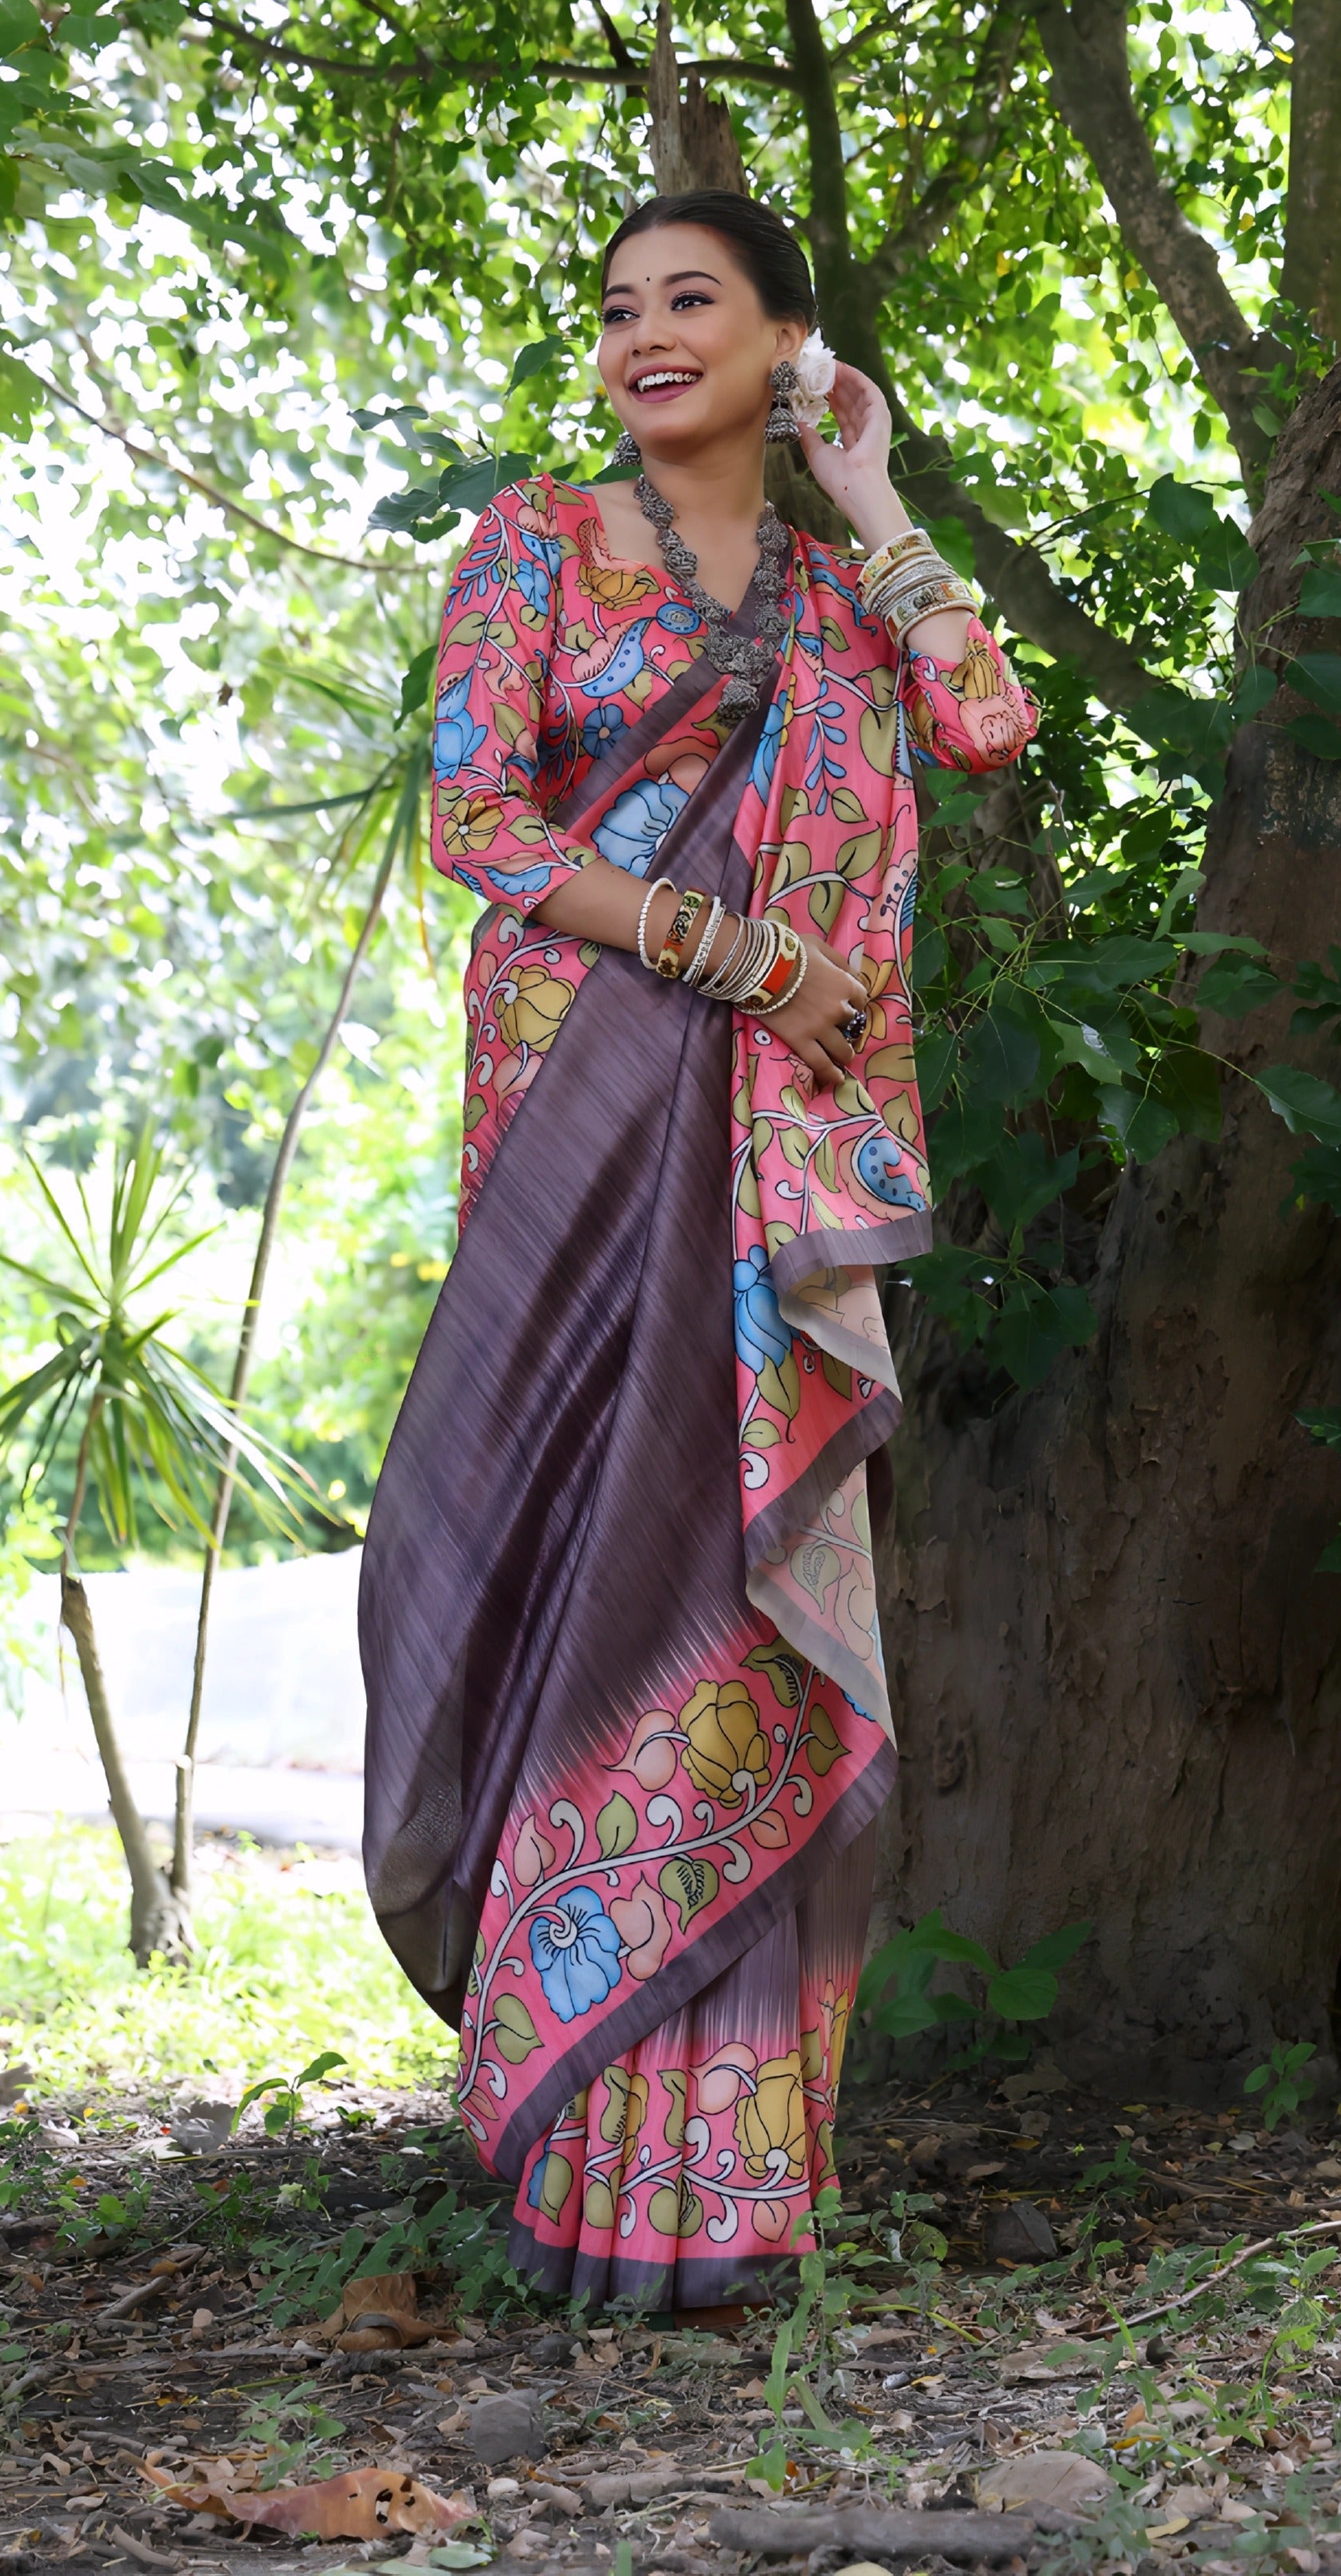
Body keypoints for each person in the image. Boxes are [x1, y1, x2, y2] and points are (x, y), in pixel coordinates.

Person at [360, 189, 1036, 2316]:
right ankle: (574, 2147)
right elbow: (477, 822)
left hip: (761, 1181)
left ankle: (723, 2194)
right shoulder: (539, 548)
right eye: (618, 309)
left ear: (784, 342)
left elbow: (985, 720)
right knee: (582, 1577)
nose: (646, 335)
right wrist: (729, 948)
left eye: (694, 302)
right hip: (586, 1141)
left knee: (738, 1613)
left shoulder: (838, 603)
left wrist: (876, 487)